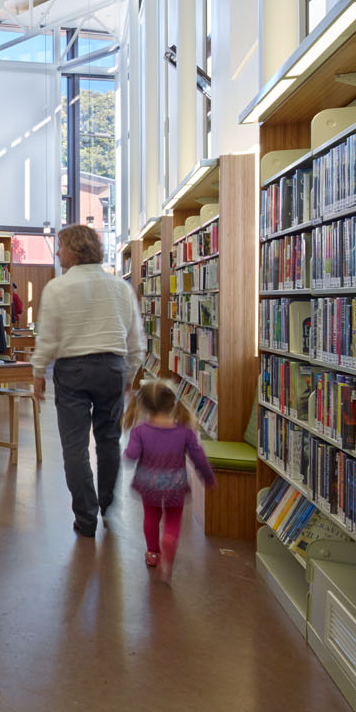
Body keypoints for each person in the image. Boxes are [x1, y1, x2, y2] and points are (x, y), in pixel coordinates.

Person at [29, 223, 146, 538]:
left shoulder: (57, 287)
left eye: (61, 246)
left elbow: (48, 337)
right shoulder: (120, 288)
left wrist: (39, 371)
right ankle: (107, 508)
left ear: (74, 250)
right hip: (112, 368)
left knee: (75, 446)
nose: (58, 253)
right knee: (109, 441)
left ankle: (86, 518)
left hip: (74, 371)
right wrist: (130, 374)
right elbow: (136, 339)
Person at [124, 379, 216, 579]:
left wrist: (127, 454)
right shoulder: (185, 432)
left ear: (145, 407)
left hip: (149, 483)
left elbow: (131, 454)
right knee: (173, 519)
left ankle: (153, 553)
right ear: (173, 403)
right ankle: (168, 542)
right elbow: (199, 457)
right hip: (176, 484)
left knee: (151, 517)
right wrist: (208, 477)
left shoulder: (139, 432)